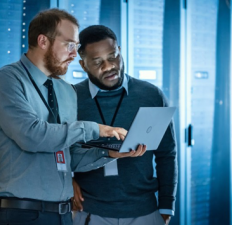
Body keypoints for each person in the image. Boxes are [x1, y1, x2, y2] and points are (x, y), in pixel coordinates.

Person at [0, 9, 146, 225]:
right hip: (22, 214)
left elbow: (69, 155)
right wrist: (97, 129)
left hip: (62, 214)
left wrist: (111, 153)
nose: (74, 54)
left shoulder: (67, 91)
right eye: (69, 45)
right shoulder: (7, 81)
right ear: (43, 41)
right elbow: (32, 136)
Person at [72, 25, 178, 225]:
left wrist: (166, 206)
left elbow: (167, 154)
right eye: (97, 62)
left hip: (145, 212)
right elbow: (56, 152)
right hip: (89, 212)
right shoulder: (71, 98)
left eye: (113, 56)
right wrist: (67, 183)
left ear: (119, 50)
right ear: (83, 65)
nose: (109, 66)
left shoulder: (150, 95)